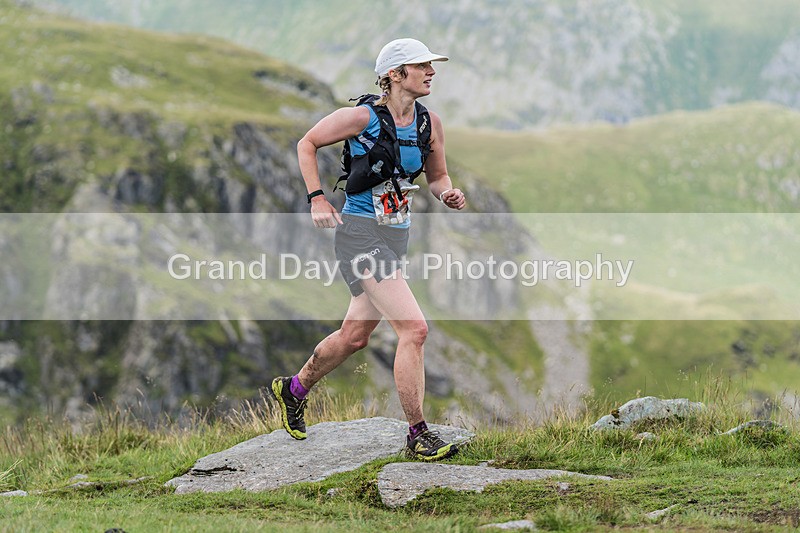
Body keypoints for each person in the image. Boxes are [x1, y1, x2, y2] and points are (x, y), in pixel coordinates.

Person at [272, 38, 466, 461]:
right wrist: (317, 198)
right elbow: (307, 144)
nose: (432, 72)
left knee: (355, 336)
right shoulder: (361, 117)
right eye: (422, 65)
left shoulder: (429, 123)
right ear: (395, 74)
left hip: (396, 234)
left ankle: (294, 389)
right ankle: (418, 434)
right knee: (414, 329)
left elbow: (438, 177)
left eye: (431, 66)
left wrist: (447, 193)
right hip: (359, 234)